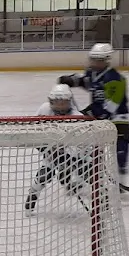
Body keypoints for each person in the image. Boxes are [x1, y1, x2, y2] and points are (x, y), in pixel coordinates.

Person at [58, 43, 129, 184]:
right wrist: (71, 80)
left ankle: (121, 180)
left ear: (106, 60)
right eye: (93, 59)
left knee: (120, 149)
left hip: (118, 119)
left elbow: (111, 107)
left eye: (99, 60)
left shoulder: (115, 78)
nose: (94, 62)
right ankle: (81, 175)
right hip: (96, 113)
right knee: (85, 143)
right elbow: (86, 82)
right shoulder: (93, 73)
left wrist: (90, 114)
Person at [24, 84, 90, 213]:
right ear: (50, 101)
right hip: (51, 152)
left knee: (87, 173)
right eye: (56, 102)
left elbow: (84, 145)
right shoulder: (44, 110)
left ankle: (101, 198)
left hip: (76, 156)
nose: (60, 106)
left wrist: (69, 159)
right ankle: (32, 196)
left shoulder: (77, 118)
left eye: (63, 102)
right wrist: (44, 148)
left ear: (69, 102)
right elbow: (32, 132)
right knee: (44, 176)